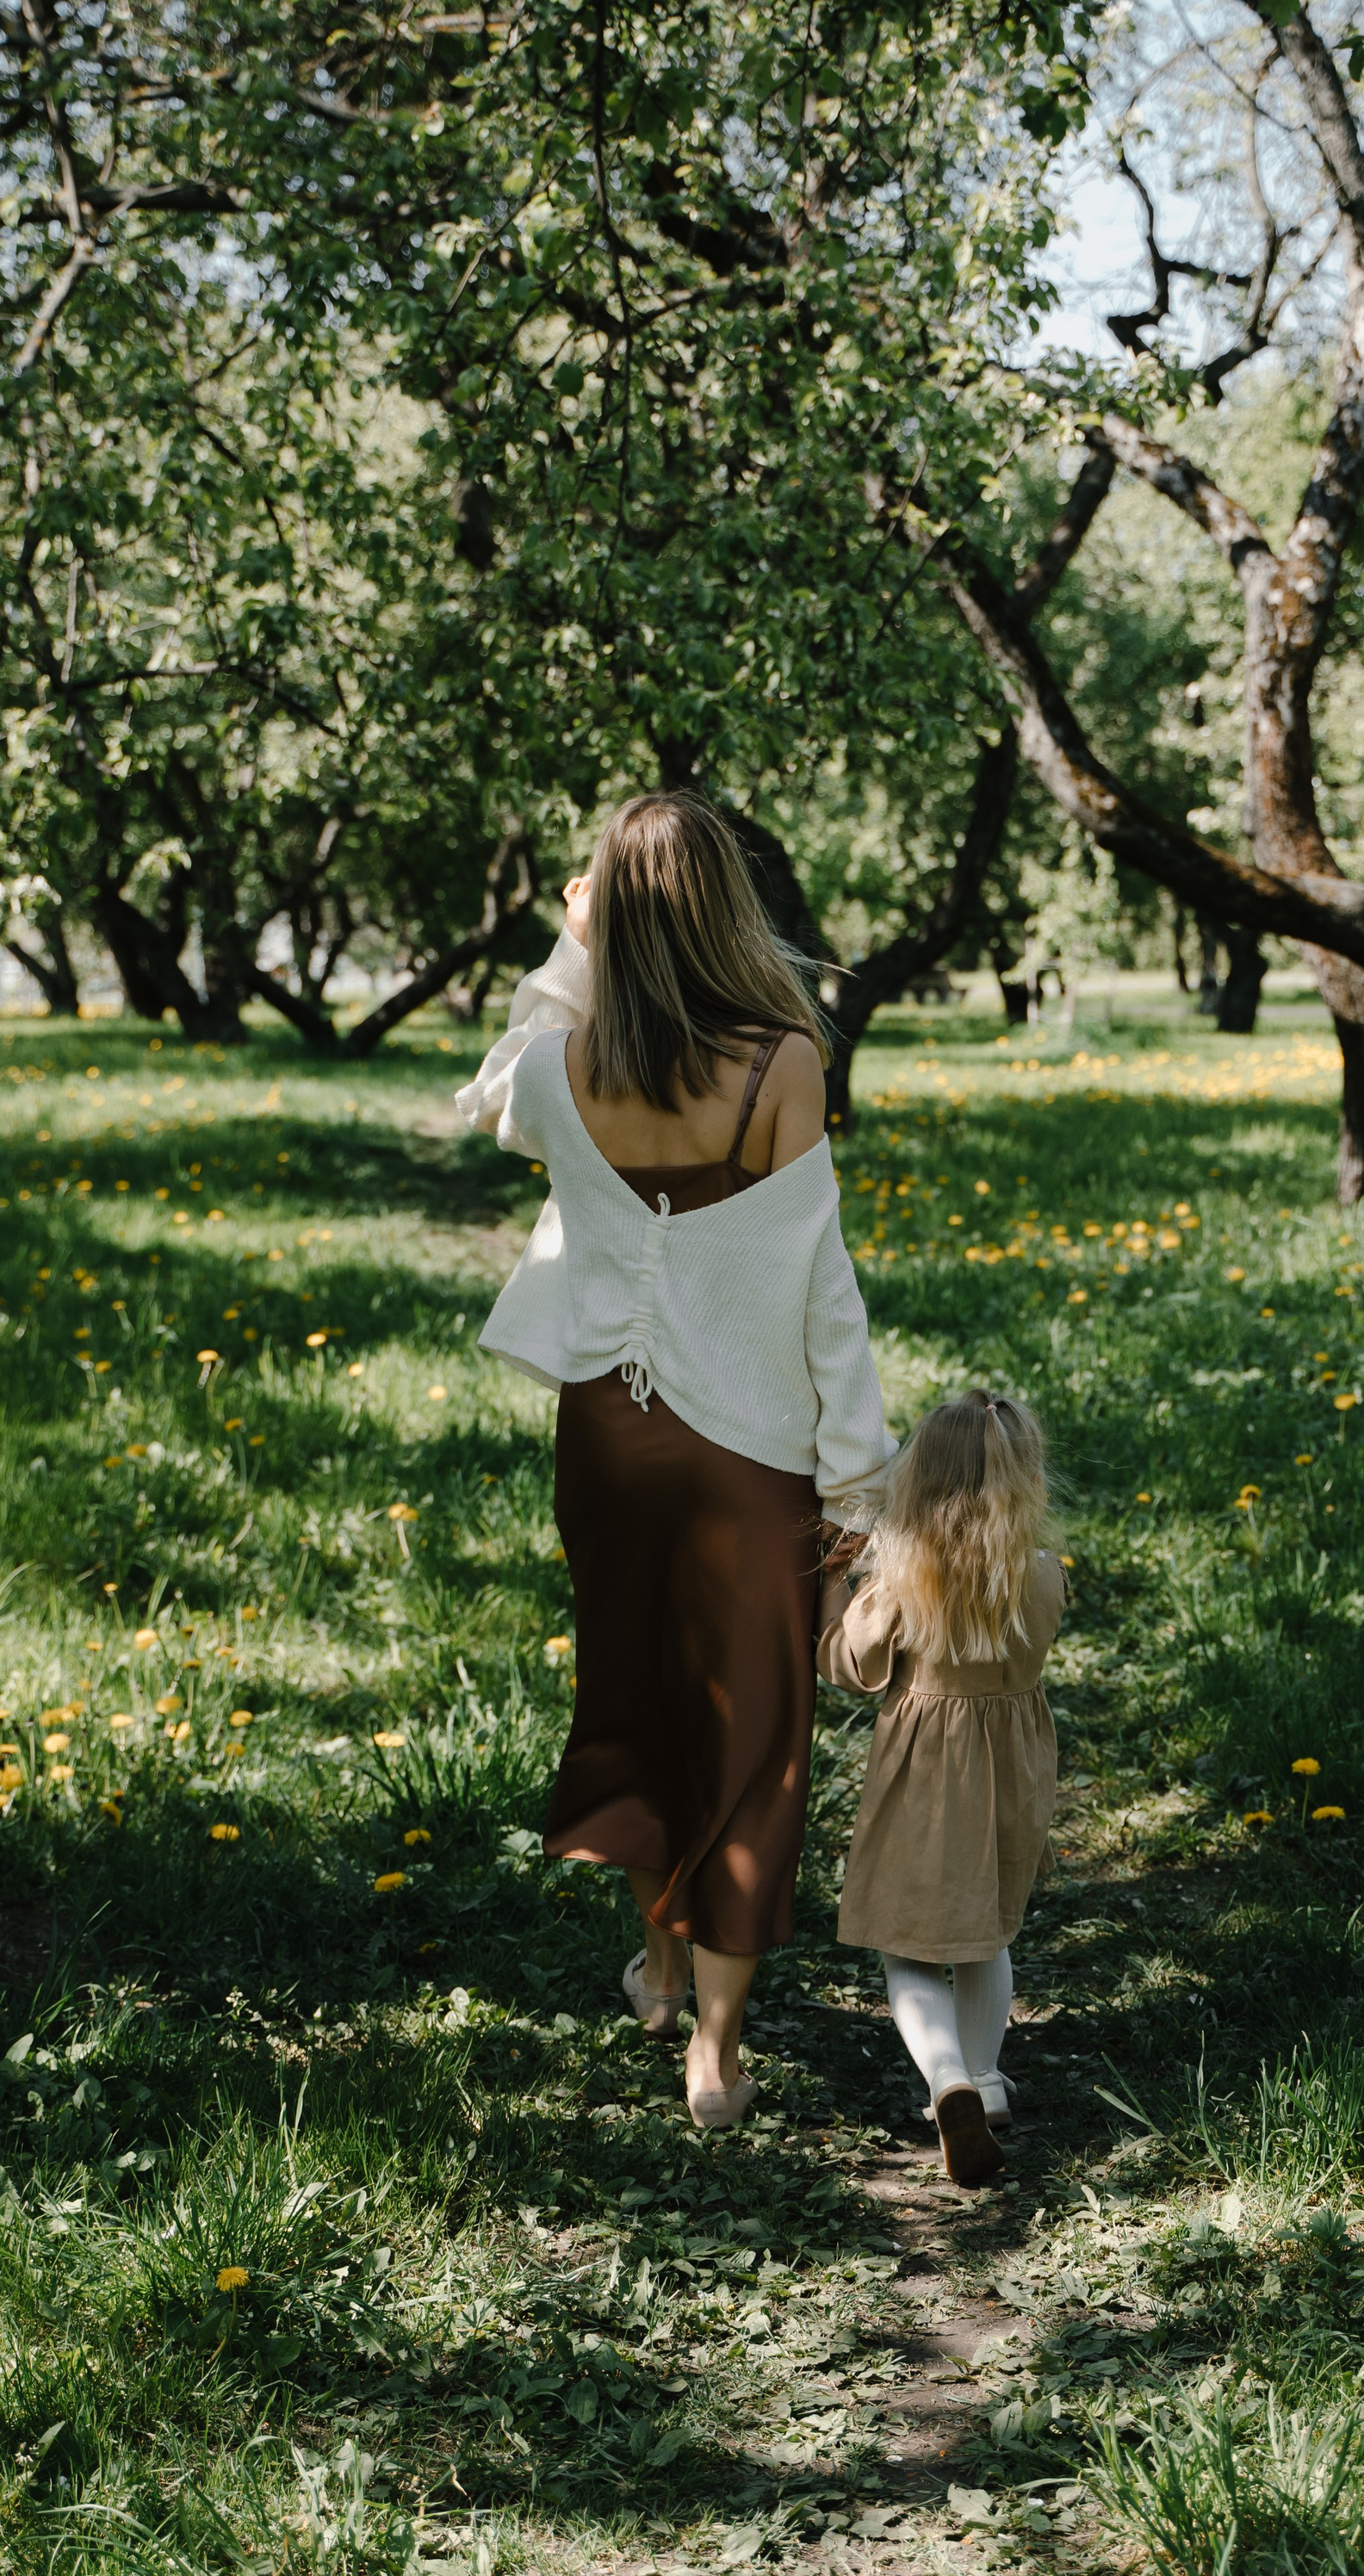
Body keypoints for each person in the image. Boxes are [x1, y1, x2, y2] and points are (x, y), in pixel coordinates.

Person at [456, 792, 895, 2131]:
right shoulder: (781, 1065)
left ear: (613, 913)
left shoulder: (556, 1067)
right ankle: (713, 2048)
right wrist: (858, 1487)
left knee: (636, 1687)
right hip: (744, 1452)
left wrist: (571, 951)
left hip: (606, 1440)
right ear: (724, 907)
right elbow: (821, 1292)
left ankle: (655, 1958)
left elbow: (490, 1091)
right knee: (751, 1736)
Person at [817, 1391, 1064, 2186]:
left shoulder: (899, 1584)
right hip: (1012, 1773)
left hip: (926, 1778)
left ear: (917, 1485)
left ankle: (947, 2076)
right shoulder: (1042, 1577)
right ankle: (988, 2082)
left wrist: (838, 1587)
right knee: (986, 1928)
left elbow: (851, 1669)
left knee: (909, 1946)